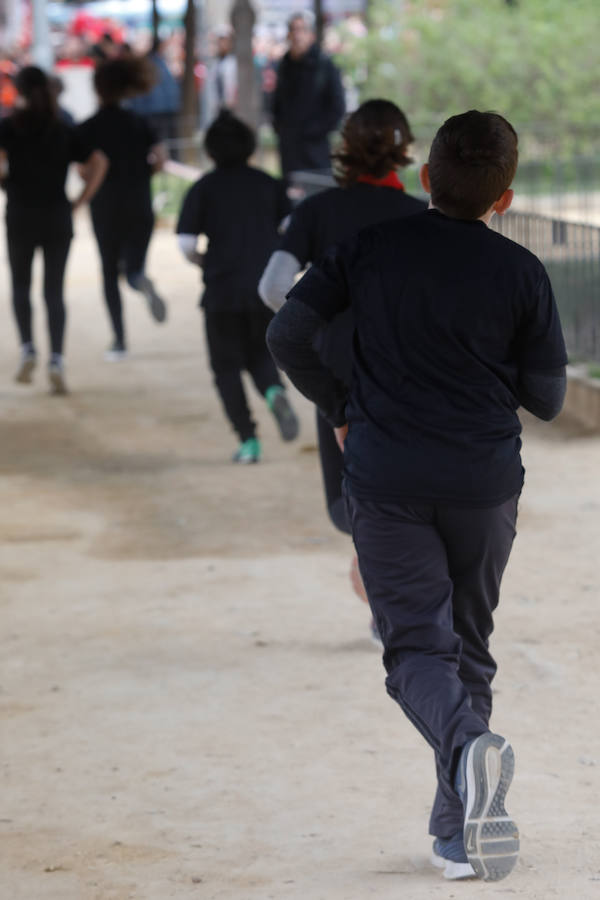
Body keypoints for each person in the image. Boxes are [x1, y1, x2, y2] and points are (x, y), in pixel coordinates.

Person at [266, 110, 568, 881]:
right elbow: (548, 398)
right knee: (468, 647)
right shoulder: (522, 272)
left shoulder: (367, 248)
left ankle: (468, 761)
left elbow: (287, 334)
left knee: (415, 652)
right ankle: (456, 837)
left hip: (387, 475)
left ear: (426, 178)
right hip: (483, 484)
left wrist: (340, 406)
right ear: (503, 199)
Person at [260, 99, 427, 637]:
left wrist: (319, 313)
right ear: (402, 152)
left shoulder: (315, 212)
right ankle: (398, 588)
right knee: (412, 482)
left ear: (345, 148)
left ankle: (380, 584)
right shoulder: (424, 216)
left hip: (334, 371)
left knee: (349, 497)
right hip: (411, 373)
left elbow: (270, 288)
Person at [176, 110, 299, 463]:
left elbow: (185, 244)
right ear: (250, 147)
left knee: (226, 367)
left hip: (221, 291)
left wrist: (205, 261)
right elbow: (291, 228)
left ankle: (249, 441)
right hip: (263, 288)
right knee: (260, 354)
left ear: (210, 151)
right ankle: (274, 391)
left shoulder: (203, 188)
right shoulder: (268, 183)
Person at [0, 66, 107, 393]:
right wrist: (81, 200)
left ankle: (28, 348)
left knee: (20, 285)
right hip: (57, 215)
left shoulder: (8, 126)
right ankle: (57, 358)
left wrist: (6, 183)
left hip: (19, 213)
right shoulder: (62, 127)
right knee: (54, 290)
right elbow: (99, 162)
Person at [77, 57, 168, 358]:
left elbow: (83, 170)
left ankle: (119, 340)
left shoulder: (88, 128)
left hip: (106, 207)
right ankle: (139, 280)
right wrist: (144, 174)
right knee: (134, 268)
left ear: (98, 89)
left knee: (108, 273)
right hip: (140, 203)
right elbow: (161, 159)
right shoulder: (140, 122)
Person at [271, 10, 345, 179]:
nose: (297, 35)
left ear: (310, 34)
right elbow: (277, 102)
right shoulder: (284, 65)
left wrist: (314, 131)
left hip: (315, 152)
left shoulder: (325, 65)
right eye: (293, 30)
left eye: (302, 30)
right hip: (289, 150)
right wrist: (280, 128)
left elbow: (337, 107)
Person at [128, 38, 181, 158]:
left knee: (163, 144)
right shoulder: (154, 62)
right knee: (159, 144)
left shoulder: (158, 62)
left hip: (159, 110)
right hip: (156, 111)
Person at [201, 25, 237, 128]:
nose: (222, 44)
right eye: (220, 41)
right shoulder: (215, 64)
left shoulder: (233, 63)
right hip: (217, 110)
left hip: (231, 110)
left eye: (225, 41)